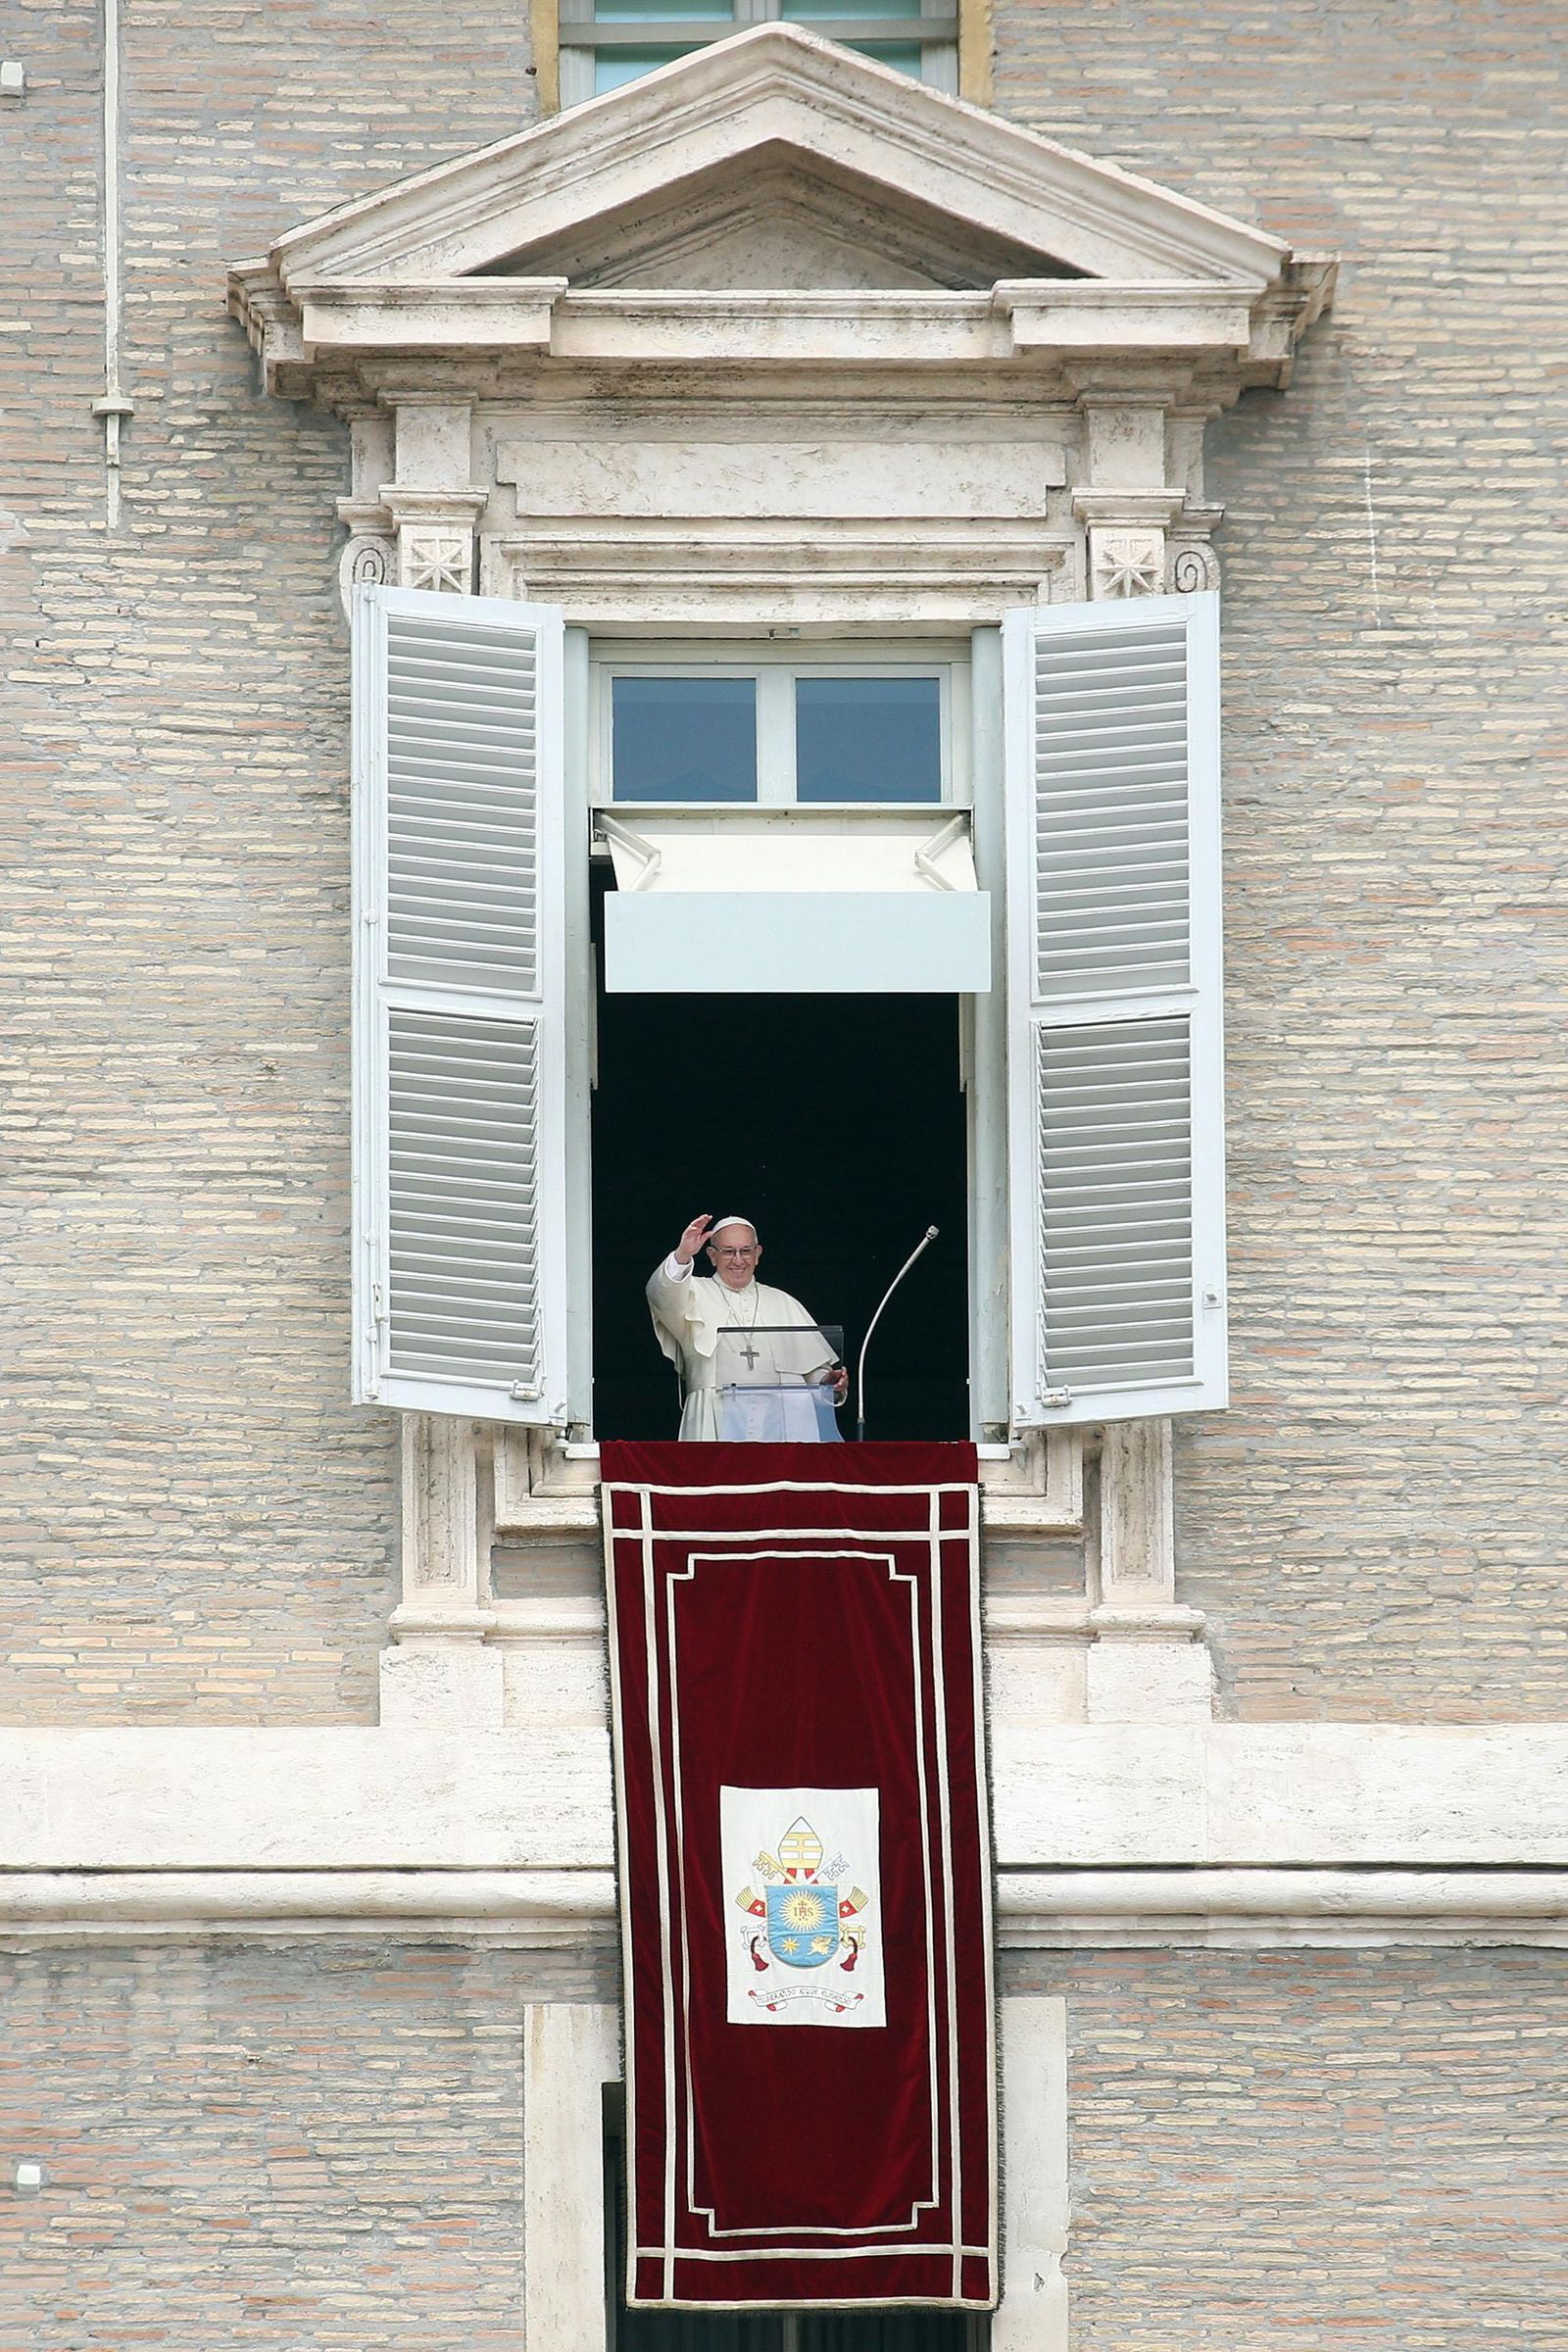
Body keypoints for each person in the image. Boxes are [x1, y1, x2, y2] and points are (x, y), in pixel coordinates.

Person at [647, 1213, 848, 1442]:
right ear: (712, 1255)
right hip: (715, 1415)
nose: (738, 1260)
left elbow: (815, 1374)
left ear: (757, 1254)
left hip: (783, 1422)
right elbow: (660, 1296)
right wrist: (682, 1255)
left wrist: (829, 1382)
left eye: (745, 1251)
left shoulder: (783, 1302)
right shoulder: (692, 1292)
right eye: (728, 1251)